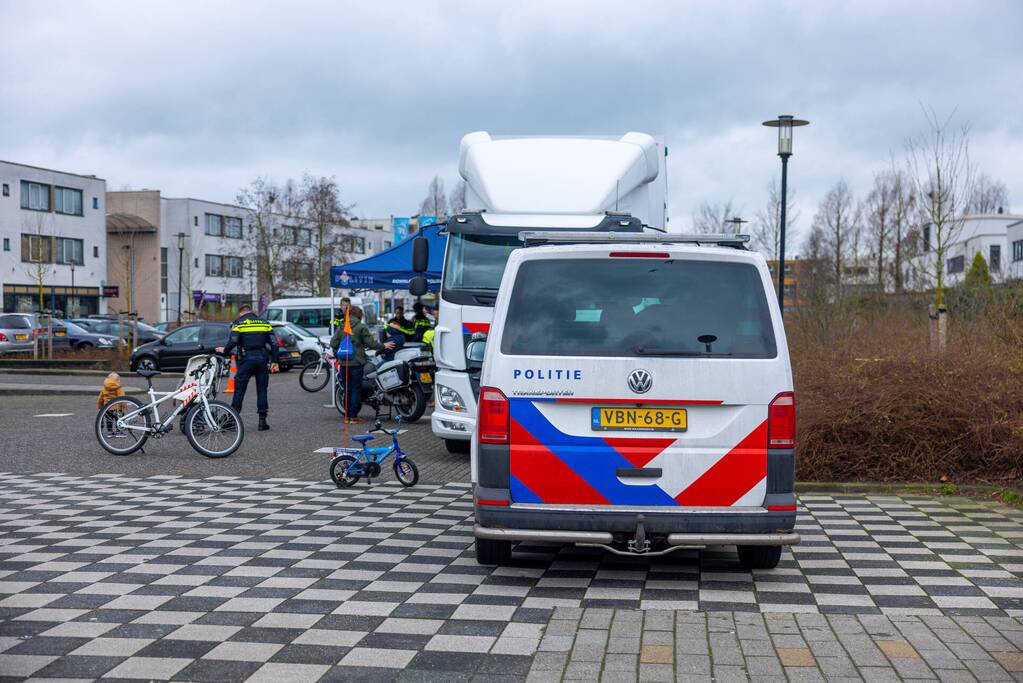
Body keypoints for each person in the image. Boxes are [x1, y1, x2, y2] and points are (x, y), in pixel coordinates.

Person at [217, 304, 278, 431]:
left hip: (245, 360)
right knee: (262, 390)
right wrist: (274, 361)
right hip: (262, 360)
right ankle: (262, 422)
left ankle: (232, 421)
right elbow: (274, 343)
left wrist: (225, 350)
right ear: (251, 311)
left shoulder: (239, 323)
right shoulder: (264, 323)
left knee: (239, 390)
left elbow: (233, 340)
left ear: (241, 313)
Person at [331, 305, 393, 424]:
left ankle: (347, 417)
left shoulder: (341, 327)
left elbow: (333, 343)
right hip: (357, 362)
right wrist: (384, 345)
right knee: (355, 389)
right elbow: (371, 343)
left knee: (347, 389)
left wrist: (343, 348)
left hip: (344, 363)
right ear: (359, 315)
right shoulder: (361, 327)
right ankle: (353, 417)